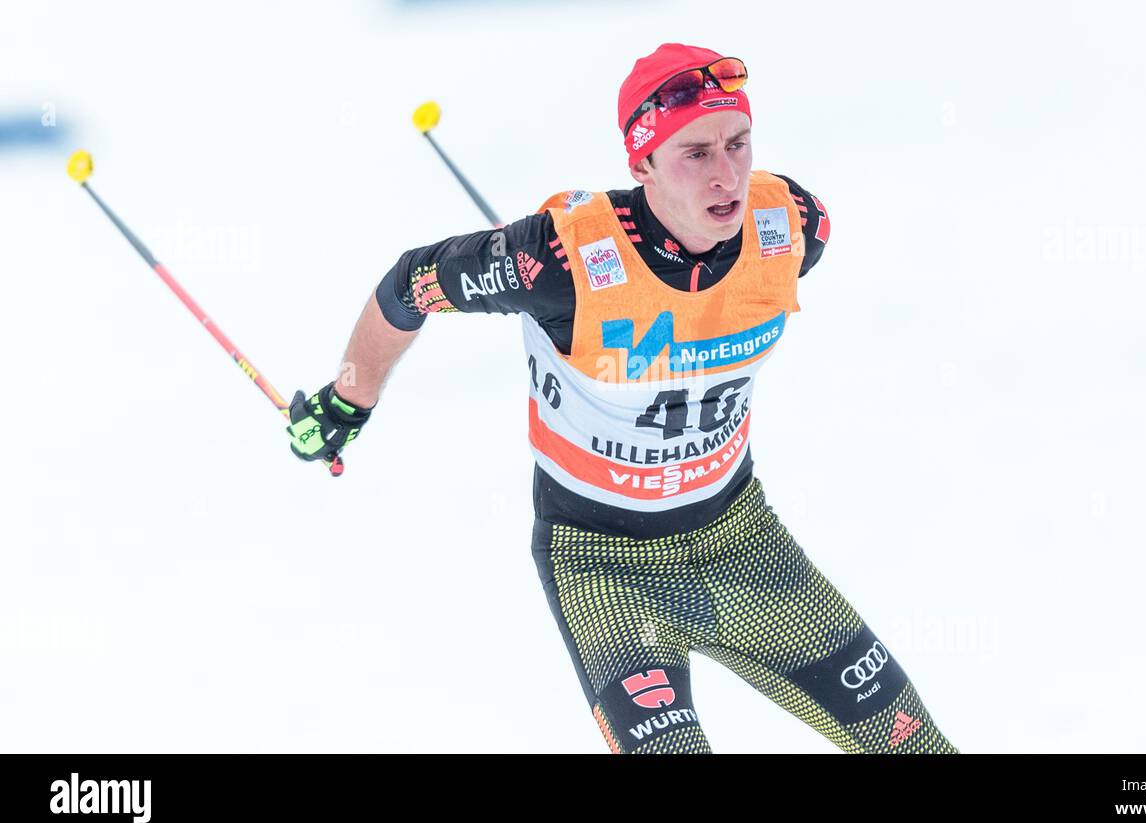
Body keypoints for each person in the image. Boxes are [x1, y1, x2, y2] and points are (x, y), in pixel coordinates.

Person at [287, 43, 959, 754]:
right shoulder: (555, 262)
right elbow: (410, 282)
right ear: (642, 166)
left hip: (743, 542)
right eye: (694, 154)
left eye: (738, 143)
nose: (727, 173)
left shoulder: (792, 226)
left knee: (912, 744)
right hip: (604, 566)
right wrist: (345, 402)